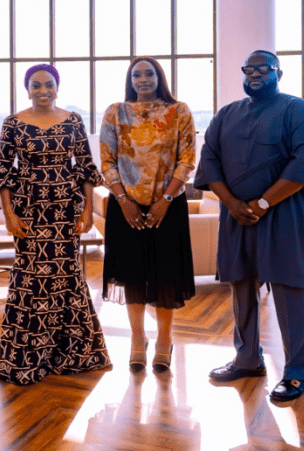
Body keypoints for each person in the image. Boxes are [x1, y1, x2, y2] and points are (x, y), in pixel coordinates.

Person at [193, 50, 304, 402]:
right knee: (241, 284)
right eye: (248, 68)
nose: (254, 73)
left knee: (291, 288)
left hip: (285, 214)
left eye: (263, 68)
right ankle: (247, 359)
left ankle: (298, 373)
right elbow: (209, 160)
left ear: (278, 73)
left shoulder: (299, 111)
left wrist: (263, 203)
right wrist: (231, 203)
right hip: (237, 216)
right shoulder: (226, 115)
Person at [0, 64, 111, 385]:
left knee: (67, 273)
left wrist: (87, 211)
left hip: (66, 210)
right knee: (30, 275)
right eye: (36, 85)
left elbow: (85, 167)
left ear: (58, 87)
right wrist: (8, 214)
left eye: (49, 85)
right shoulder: (13, 123)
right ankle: (28, 358)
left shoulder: (73, 121)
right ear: (27, 89)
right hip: (28, 210)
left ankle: (72, 354)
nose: (43, 91)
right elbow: (4, 172)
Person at [99, 57, 197, 373]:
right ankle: (137, 338)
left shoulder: (179, 111)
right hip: (124, 206)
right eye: (137, 74)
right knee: (132, 275)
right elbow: (107, 161)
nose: (143, 79)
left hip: (168, 206)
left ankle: (165, 339)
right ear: (130, 80)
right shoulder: (115, 112)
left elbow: (186, 159)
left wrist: (165, 199)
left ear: (159, 77)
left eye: (149, 73)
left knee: (166, 274)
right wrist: (123, 200)